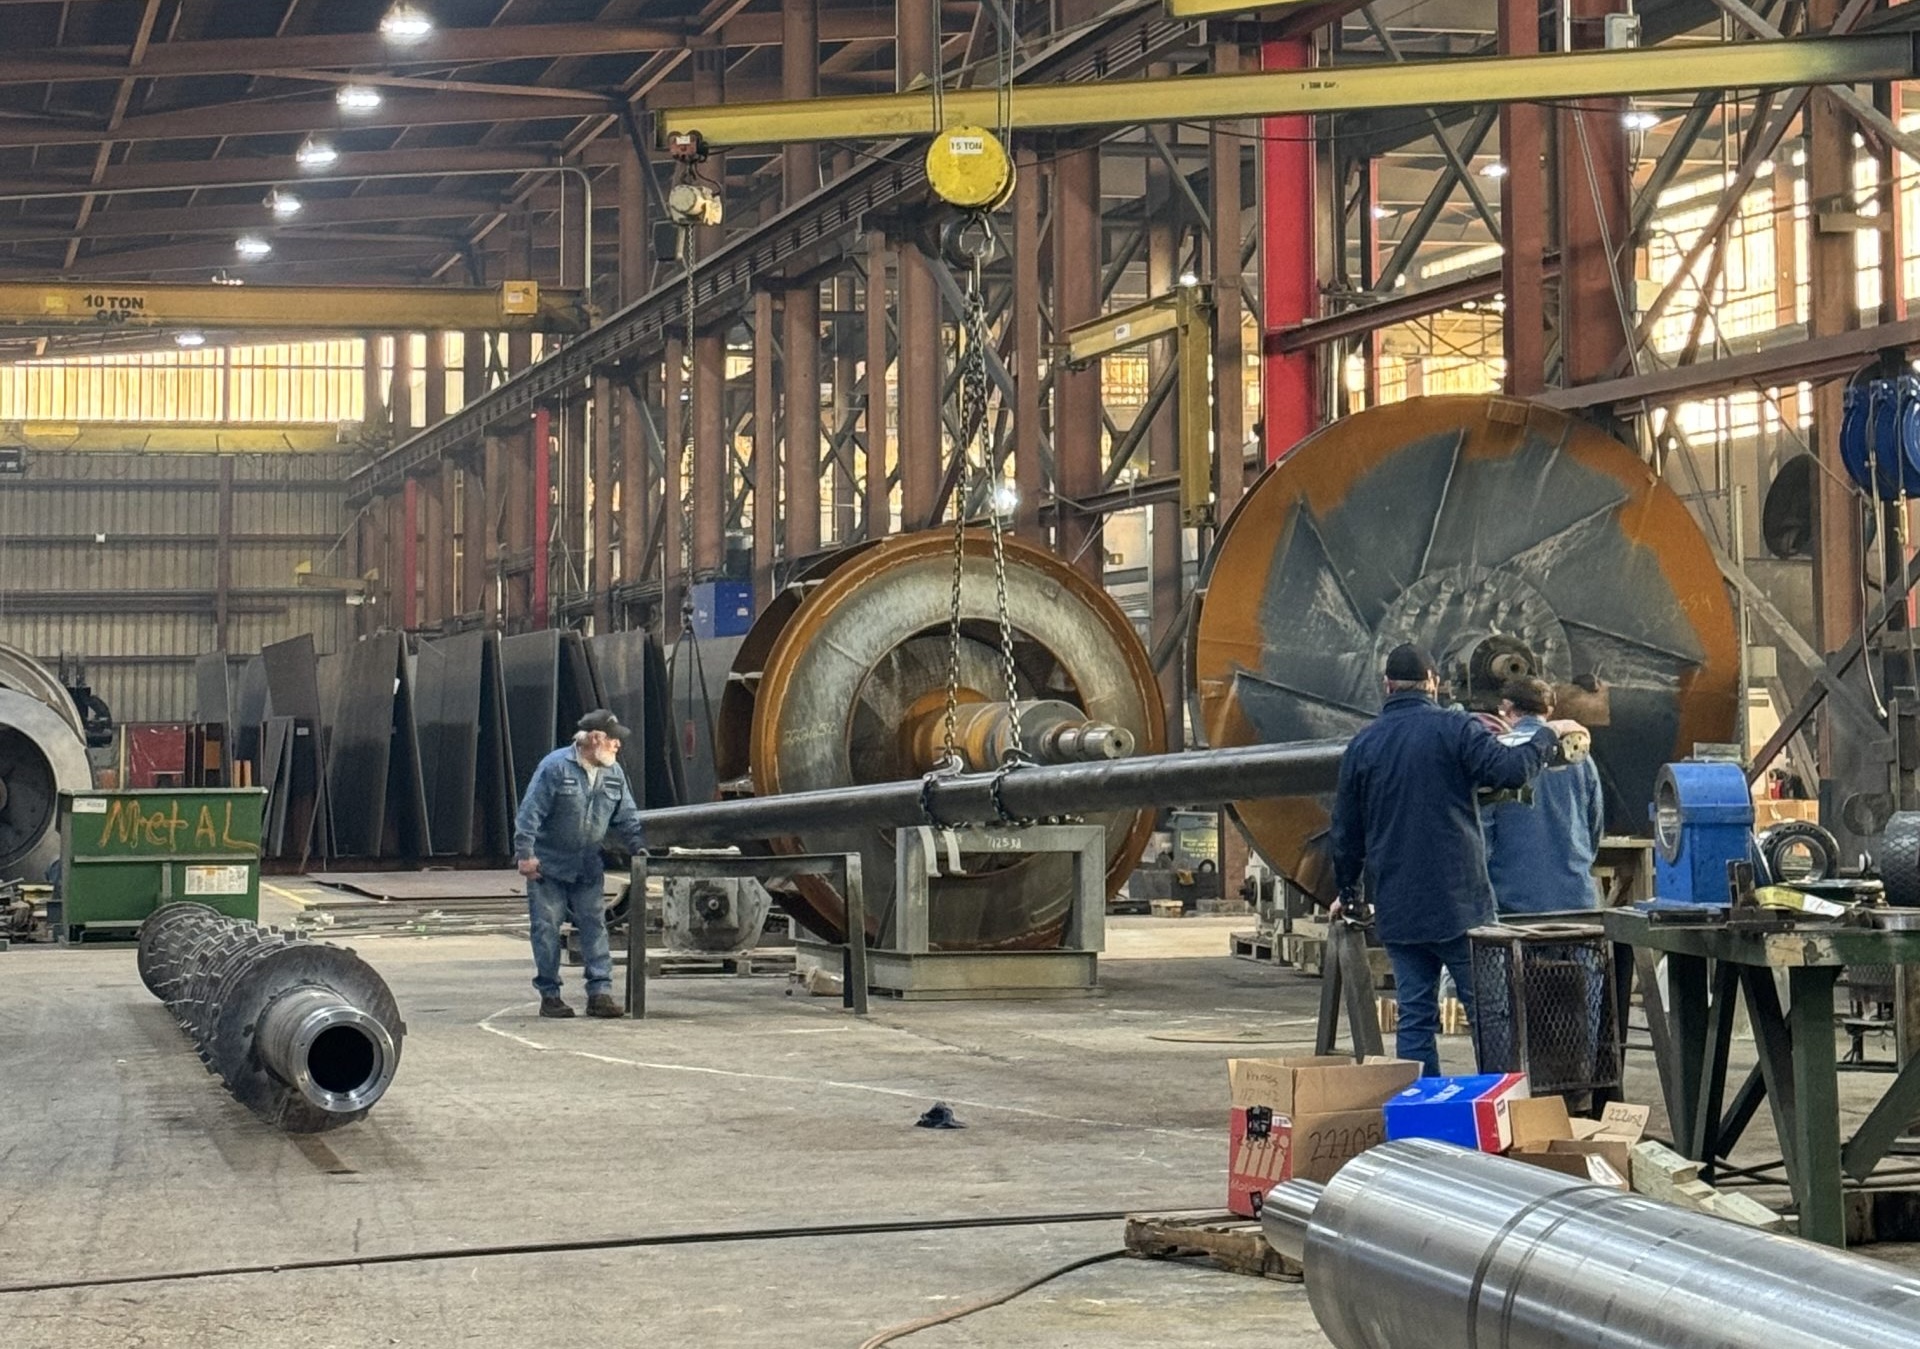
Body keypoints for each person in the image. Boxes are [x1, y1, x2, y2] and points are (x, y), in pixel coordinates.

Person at [1328, 645, 1579, 1076]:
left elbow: (1345, 834)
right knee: (1490, 1014)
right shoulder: (1454, 729)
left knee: (1415, 1019)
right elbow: (1510, 771)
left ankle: (1424, 1121)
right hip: (1459, 905)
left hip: (1400, 908)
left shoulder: (1363, 745)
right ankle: (1497, 1110)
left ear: (1387, 686)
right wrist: (1547, 735)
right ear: (1433, 683)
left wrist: (1348, 893)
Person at [514, 709, 647, 1019]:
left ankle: (600, 993)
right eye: (614, 740)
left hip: (587, 864)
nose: (618, 746)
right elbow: (529, 813)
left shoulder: (613, 773)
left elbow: (627, 816)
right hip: (548, 866)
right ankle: (550, 996)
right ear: (596, 738)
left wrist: (638, 847)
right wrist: (526, 855)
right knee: (546, 929)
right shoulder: (555, 767)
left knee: (595, 926)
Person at [1483, 677, 1605, 915]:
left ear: (1506, 707)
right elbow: (1595, 823)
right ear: (1549, 710)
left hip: (1513, 903)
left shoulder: (1497, 756)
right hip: (1577, 901)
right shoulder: (1579, 756)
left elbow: (1483, 834)